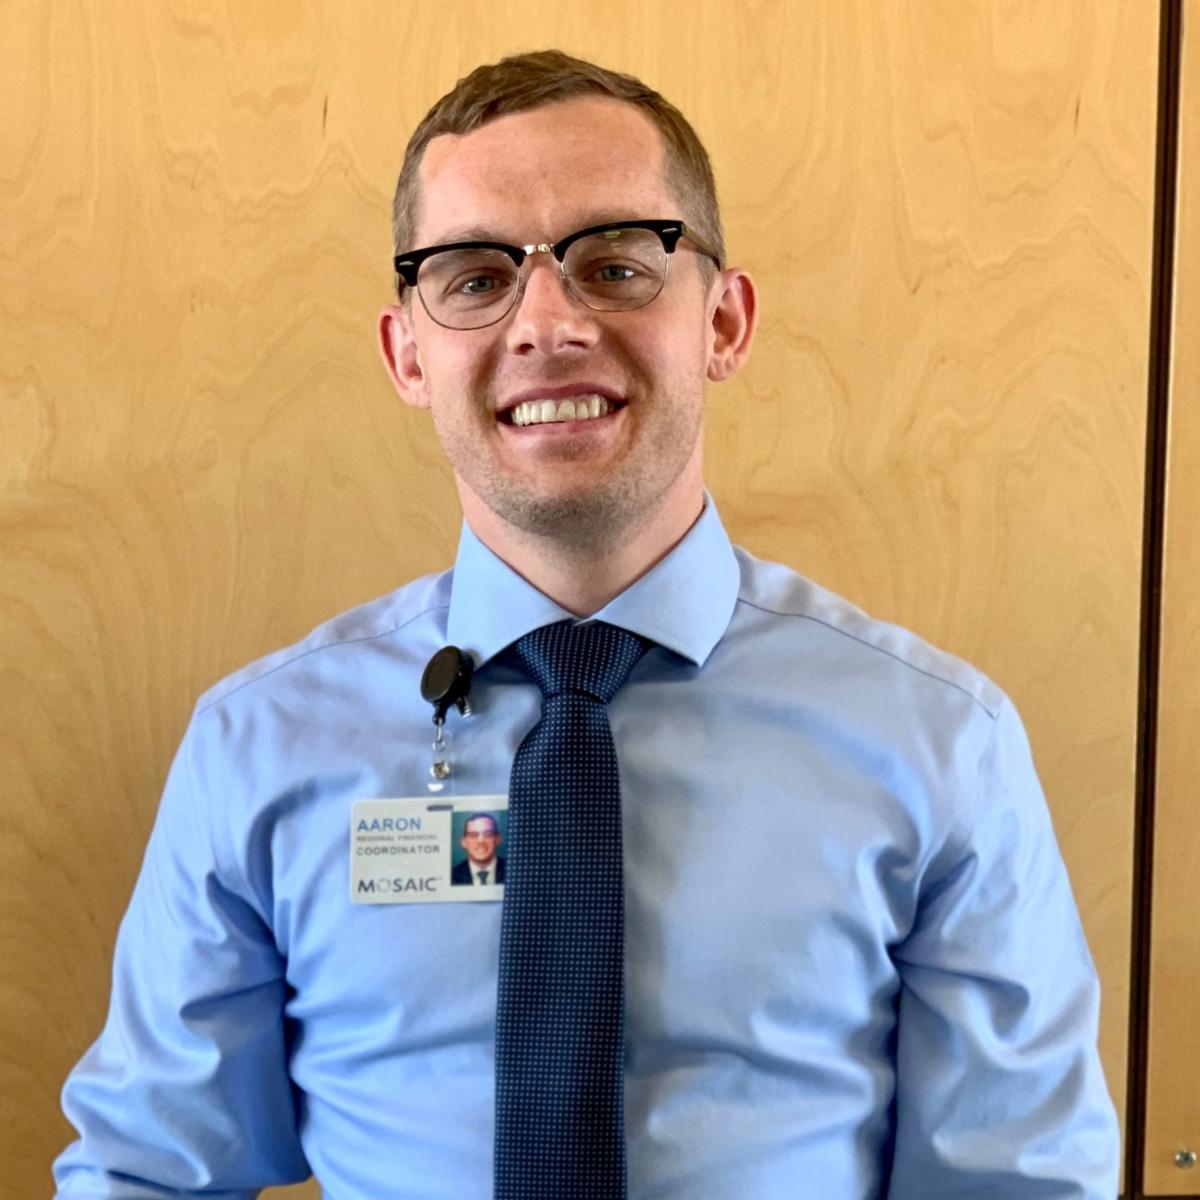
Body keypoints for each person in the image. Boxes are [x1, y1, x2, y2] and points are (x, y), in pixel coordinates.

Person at [54, 49, 1120, 1198]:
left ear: (724, 322)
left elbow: (1016, 1183)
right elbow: (147, 1171)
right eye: (475, 278)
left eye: (614, 265)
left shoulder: (940, 746)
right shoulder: (259, 748)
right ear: (408, 354)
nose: (548, 323)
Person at [452, 812, 507, 885]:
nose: (481, 841)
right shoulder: (451, 876)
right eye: (473, 835)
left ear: (497, 840)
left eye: (488, 834)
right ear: (464, 842)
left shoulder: (513, 870)